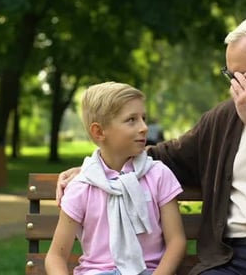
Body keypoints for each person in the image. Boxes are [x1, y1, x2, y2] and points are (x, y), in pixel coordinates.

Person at [57, 13, 246, 275]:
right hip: (230, 261)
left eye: (244, 76)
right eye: (230, 75)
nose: (234, 87)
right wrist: (95, 169)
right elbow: (167, 157)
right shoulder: (225, 117)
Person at [46, 82, 186, 275]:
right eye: (131, 120)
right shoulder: (81, 187)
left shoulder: (158, 175)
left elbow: (176, 242)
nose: (144, 127)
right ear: (99, 132)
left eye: (143, 118)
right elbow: (55, 257)